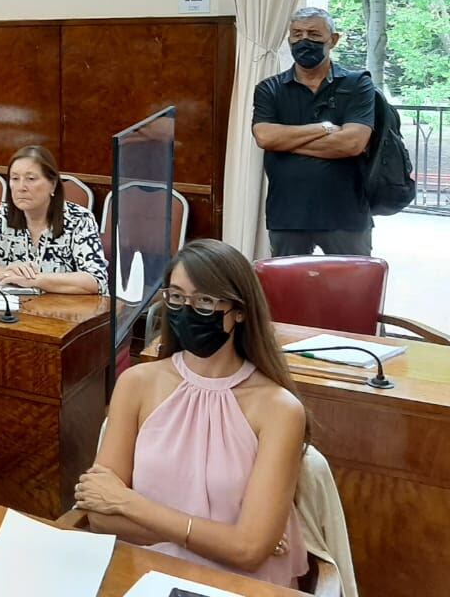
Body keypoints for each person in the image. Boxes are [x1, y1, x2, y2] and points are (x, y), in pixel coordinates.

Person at [74, 239, 309, 588]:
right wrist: (222, 536)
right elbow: (99, 516)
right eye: (177, 297)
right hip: (143, 574)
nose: (186, 309)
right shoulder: (137, 383)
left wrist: (128, 503)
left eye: (204, 301)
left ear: (239, 310)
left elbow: (247, 552)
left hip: (237, 585)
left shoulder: (279, 409)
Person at [252, 7, 375, 256]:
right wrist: (325, 128)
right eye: (296, 34)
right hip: (287, 215)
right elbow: (264, 136)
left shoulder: (358, 83)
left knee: (350, 291)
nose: (304, 40)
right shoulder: (270, 88)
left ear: (333, 39)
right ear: (289, 40)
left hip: (346, 215)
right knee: (287, 292)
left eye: (314, 34)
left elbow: (352, 143)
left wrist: (285, 141)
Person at [0, 144, 107, 295]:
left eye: (31, 179)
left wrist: (34, 280)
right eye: (15, 178)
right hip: (13, 311)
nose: (21, 187)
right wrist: (6, 272)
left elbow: (95, 280)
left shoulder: (79, 219)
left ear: (53, 184)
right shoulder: (4, 214)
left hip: (61, 312)